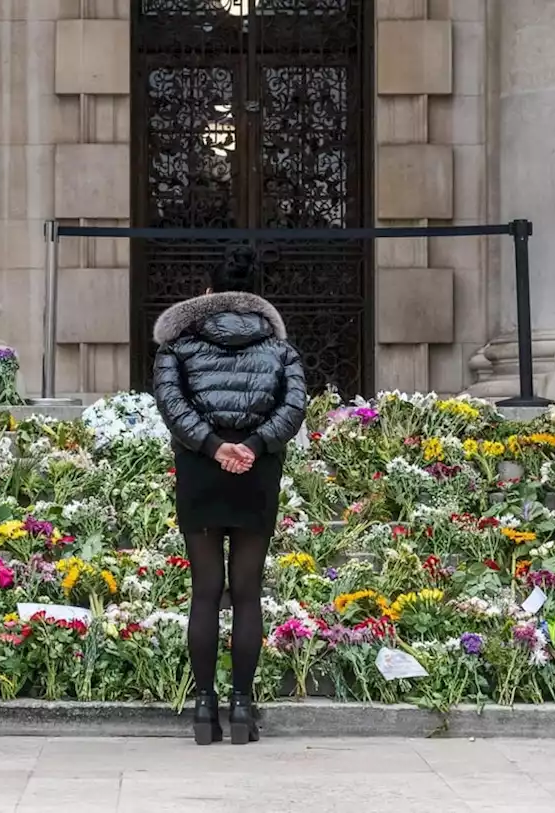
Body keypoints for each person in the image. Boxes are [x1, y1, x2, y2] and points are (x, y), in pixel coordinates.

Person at [152, 249, 307, 746]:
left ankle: (203, 710)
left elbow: (171, 405)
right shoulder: (280, 349)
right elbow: (294, 406)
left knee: (204, 591)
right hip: (256, 472)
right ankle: (242, 708)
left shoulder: (177, 346)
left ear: (207, 293)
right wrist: (253, 447)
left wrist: (214, 448)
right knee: (246, 593)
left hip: (201, 469)